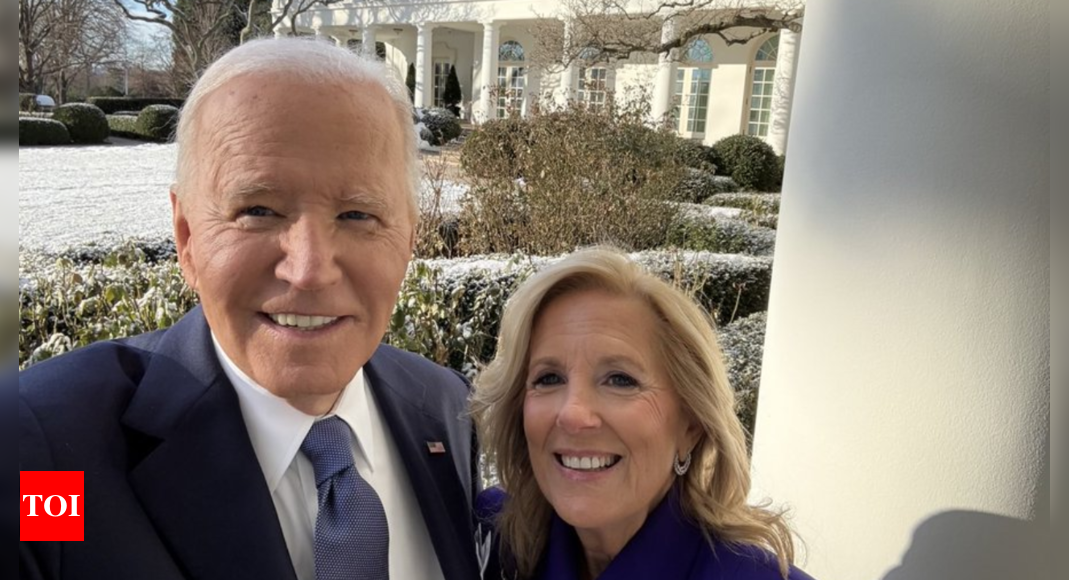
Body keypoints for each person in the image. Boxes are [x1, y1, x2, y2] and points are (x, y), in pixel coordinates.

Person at [18, 38, 483, 580]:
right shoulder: (46, 457)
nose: (309, 270)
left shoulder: (445, 407)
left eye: (357, 215)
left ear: (408, 237)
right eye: (257, 210)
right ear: (186, 236)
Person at [471, 248, 816, 580]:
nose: (573, 414)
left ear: (691, 426)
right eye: (548, 378)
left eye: (621, 380)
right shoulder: (491, 539)